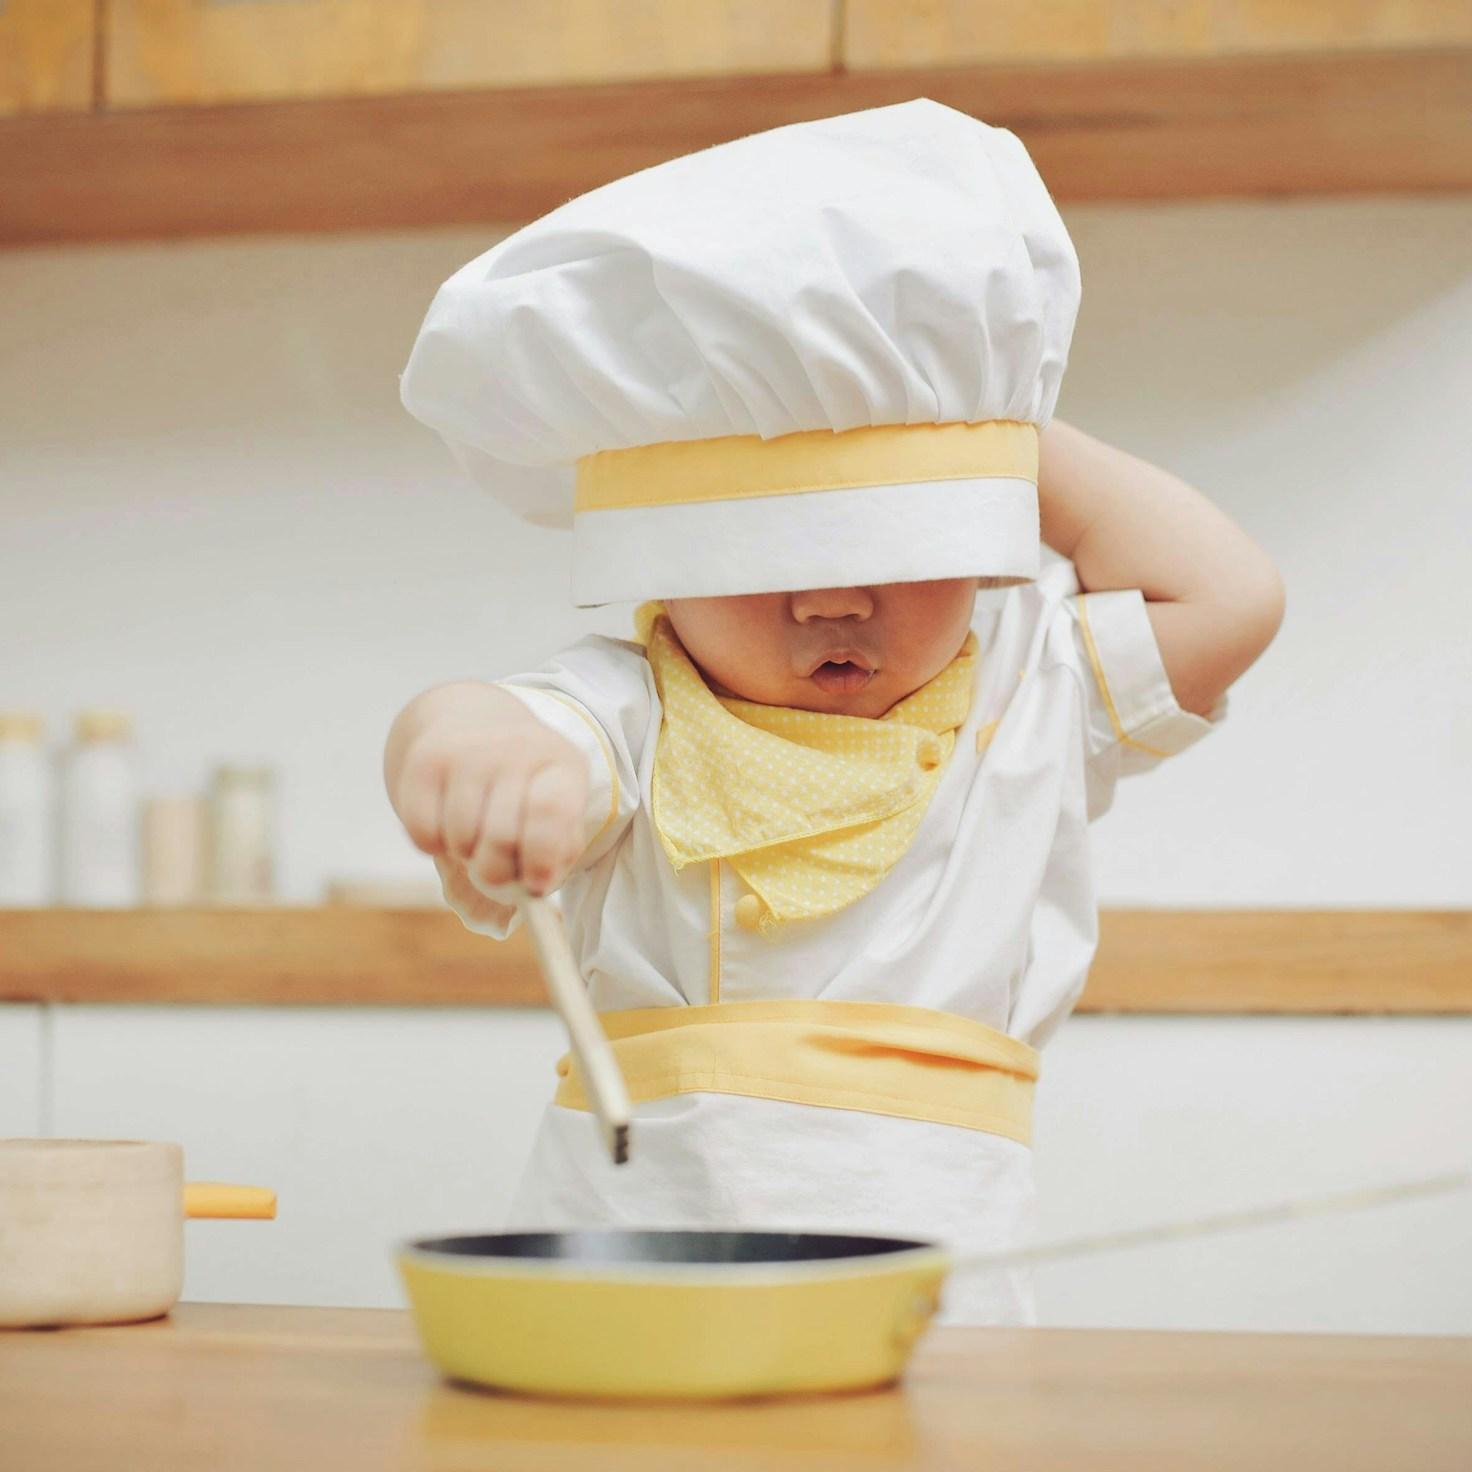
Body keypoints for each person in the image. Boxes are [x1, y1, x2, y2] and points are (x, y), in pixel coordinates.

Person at [385, 100, 1284, 1323]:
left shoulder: (1031, 687)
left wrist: (982, 413)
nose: (830, 596)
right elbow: (481, 719)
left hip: (941, 1294)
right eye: (754, 551)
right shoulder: (630, 707)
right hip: (632, 1268)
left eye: (899, 538)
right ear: (657, 562)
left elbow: (1230, 596)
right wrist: (465, 746)